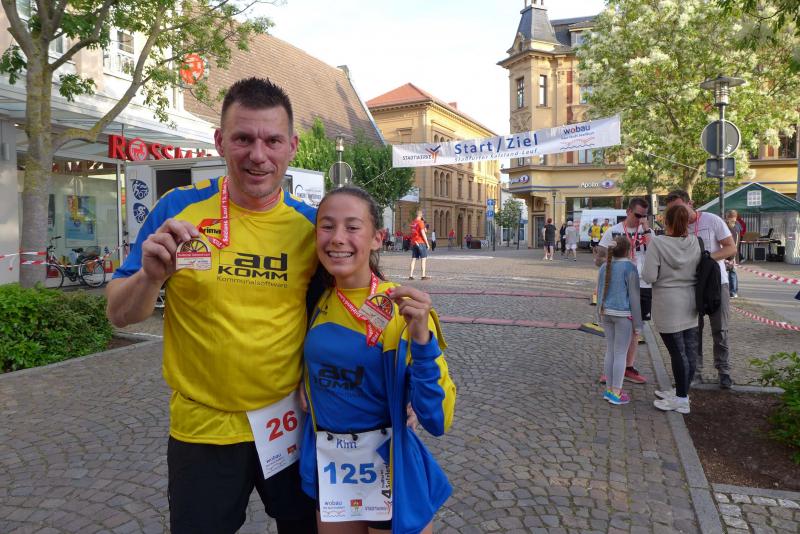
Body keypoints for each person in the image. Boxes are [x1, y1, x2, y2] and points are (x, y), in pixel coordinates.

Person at [105, 78, 318, 533]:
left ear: (292, 147)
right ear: (220, 141)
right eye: (243, 138)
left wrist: (398, 385)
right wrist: (150, 277)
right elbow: (120, 314)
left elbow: (354, 310)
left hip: (289, 424)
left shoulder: (312, 227)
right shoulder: (177, 210)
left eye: (272, 140)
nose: (258, 155)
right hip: (202, 429)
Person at [300, 185, 455, 534]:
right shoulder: (315, 301)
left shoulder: (404, 308)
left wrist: (423, 343)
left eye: (352, 227)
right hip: (334, 473)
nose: (337, 238)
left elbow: (438, 419)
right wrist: (303, 384)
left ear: (377, 238)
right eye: (327, 226)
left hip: (390, 471)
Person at [665, 190, 737, 389]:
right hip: (689, 285)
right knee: (692, 332)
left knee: (720, 329)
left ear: (690, 203)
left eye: (679, 208)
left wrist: (707, 258)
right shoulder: (674, 226)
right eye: (671, 210)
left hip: (716, 283)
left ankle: (724, 372)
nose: (676, 213)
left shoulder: (712, 220)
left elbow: (731, 248)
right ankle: (695, 373)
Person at [642, 205, 701, 414]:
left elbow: (649, 276)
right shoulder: (696, 241)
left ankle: (681, 400)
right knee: (689, 351)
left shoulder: (658, 243)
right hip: (690, 300)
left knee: (677, 353)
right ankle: (681, 392)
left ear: (666, 221)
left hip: (667, 303)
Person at [596, 198, 652, 385]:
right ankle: (611, 371)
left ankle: (628, 367)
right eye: (638, 215)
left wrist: (647, 229)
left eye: (644, 216)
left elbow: (656, 253)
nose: (641, 219)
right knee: (614, 336)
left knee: (636, 331)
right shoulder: (613, 231)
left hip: (643, 284)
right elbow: (599, 258)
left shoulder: (647, 231)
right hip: (619, 286)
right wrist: (618, 264)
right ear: (628, 211)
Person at [596, 236, 643, 405]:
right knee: (621, 353)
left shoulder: (604, 266)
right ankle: (616, 392)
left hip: (606, 313)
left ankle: (609, 389)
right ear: (629, 251)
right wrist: (638, 324)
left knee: (610, 351)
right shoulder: (630, 267)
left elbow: (599, 291)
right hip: (623, 315)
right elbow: (634, 297)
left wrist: (599, 314)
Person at [408, 210, 430, 280]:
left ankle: (411, 275)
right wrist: (427, 243)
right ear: (421, 215)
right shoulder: (421, 222)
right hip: (420, 242)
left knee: (413, 259)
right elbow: (423, 233)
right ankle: (423, 276)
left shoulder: (413, 223)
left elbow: (414, 232)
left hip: (414, 242)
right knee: (423, 259)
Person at [725, 210, 741, 298]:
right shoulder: (737, 225)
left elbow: (734, 242)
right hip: (733, 253)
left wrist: (731, 256)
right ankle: (734, 291)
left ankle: (733, 291)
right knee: (732, 273)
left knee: (731, 273)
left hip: (730, 253)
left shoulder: (731, 227)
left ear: (728, 217)